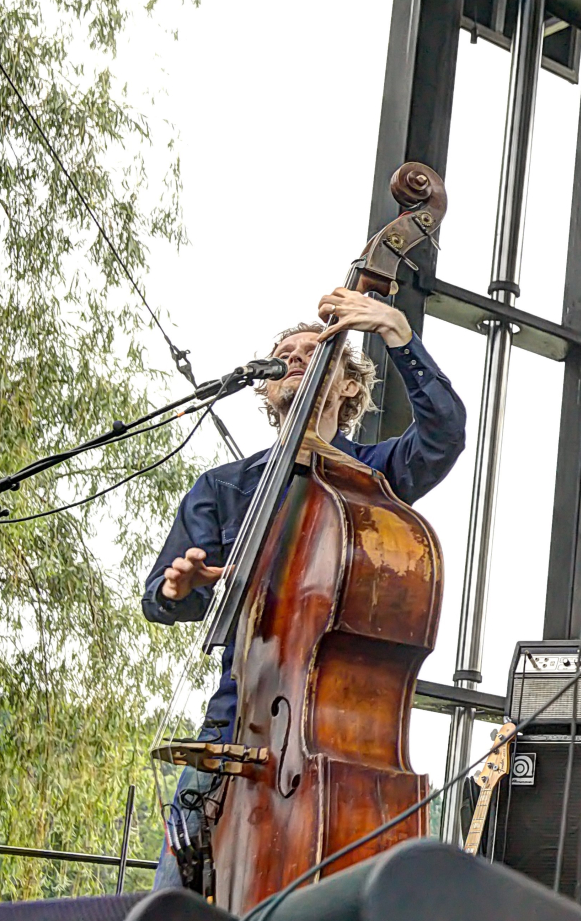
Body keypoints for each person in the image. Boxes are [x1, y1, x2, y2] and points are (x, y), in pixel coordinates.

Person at [141, 288, 468, 890]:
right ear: (265, 387)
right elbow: (159, 600)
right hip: (230, 727)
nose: (294, 357)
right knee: (171, 918)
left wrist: (396, 330)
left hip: (330, 747)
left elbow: (444, 436)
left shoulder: (374, 480)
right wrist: (182, 588)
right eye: (282, 354)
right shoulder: (221, 488)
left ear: (348, 385)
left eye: (313, 350)